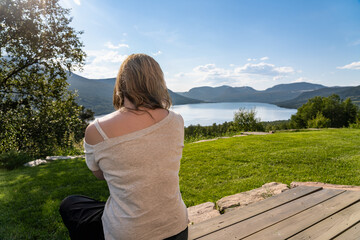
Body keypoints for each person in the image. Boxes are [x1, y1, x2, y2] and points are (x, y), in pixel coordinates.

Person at [59, 54, 189, 240]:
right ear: (158, 82)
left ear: (122, 83)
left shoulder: (96, 130)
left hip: (130, 233)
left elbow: (100, 174)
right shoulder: (176, 120)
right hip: (177, 228)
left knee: (70, 204)